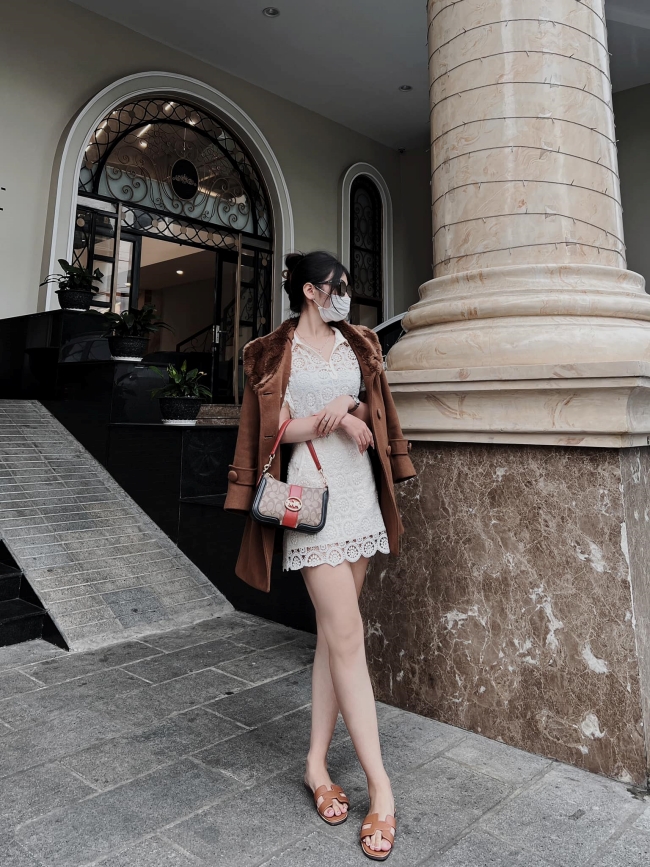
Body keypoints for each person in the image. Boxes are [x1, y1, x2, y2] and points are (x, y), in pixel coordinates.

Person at [224, 251, 416, 860]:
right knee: (349, 636)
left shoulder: (357, 343)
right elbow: (275, 427)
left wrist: (351, 409)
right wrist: (333, 417)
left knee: (334, 641)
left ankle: (315, 764)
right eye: (339, 287)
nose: (347, 296)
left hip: (359, 496)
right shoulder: (272, 352)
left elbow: (369, 406)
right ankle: (381, 788)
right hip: (311, 504)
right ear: (310, 290)